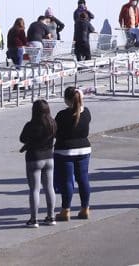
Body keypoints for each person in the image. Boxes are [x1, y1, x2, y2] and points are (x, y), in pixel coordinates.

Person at [54, 86, 92, 221]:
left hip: (65, 151)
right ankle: (85, 208)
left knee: (67, 181)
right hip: (84, 149)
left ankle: (66, 210)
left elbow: (55, 132)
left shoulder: (62, 115)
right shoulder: (86, 112)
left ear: (66, 100)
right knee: (83, 179)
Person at [19, 99, 57, 227]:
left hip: (34, 158)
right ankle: (51, 217)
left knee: (34, 190)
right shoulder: (53, 123)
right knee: (49, 187)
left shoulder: (30, 125)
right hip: (49, 157)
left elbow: (22, 139)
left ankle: (33, 219)